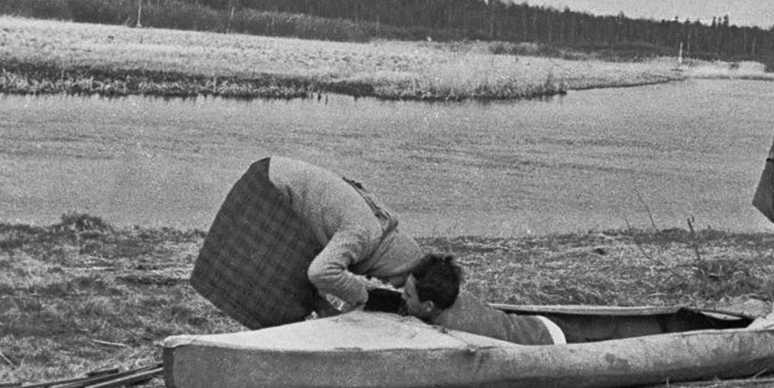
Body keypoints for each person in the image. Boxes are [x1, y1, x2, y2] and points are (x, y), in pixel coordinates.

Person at [191, 156, 563, 344]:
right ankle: (268, 342)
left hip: (281, 180)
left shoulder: (379, 240)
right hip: (270, 188)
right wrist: (364, 294)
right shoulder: (364, 235)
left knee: (303, 286)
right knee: (277, 285)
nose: (397, 289)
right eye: (401, 285)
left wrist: (328, 306)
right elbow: (320, 273)